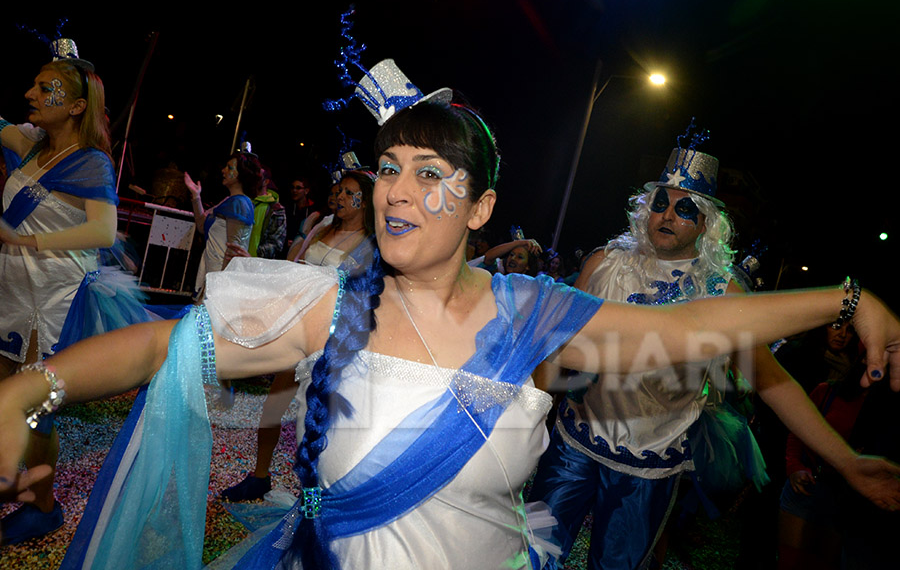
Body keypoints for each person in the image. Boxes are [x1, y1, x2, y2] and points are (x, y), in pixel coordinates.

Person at [2, 88, 900, 570]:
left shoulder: (540, 316)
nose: (396, 190)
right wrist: (27, 388)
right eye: (390, 168)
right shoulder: (331, 306)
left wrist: (849, 299)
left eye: (432, 174)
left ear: (483, 210)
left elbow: (702, 326)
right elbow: (165, 343)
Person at [528, 134, 900, 570]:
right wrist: (527, 422)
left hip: (649, 467)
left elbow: (772, 381)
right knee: (529, 555)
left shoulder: (722, 291)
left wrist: (848, 462)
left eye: (685, 209)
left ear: (705, 223)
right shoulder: (602, 264)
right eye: (662, 202)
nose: (668, 214)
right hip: (573, 443)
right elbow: (551, 349)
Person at [0, 40, 154, 544]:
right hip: (14, 293)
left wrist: (26, 238)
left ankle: (43, 506)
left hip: (54, 302)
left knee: (34, 408)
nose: (31, 93)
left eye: (46, 88)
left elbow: (104, 232)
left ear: (76, 105)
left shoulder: (91, 163)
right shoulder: (32, 147)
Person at [221, 169, 376, 502]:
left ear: (367, 203)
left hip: (332, 339)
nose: (341, 198)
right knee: (273, 407)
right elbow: (295, 269)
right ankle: (260, 476)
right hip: (297, 329)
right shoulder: (323, 227)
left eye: (351, 193)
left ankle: (325, 494)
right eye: (340, 191)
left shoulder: (370, 245)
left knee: (323, 419)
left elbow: (357, 293)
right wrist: (255, 264)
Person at [777, 363, 869, 569]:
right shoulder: (828, 391)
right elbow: (797, 429)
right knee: (789, 562)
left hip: (844, 499)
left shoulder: (885, 411)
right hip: (806, 487)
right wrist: (794, 466)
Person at [184, 151, 260, 301]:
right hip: (213, 274)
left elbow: (233, 251)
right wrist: (196, 196)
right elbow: (201, 226)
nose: (223, 170)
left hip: (219, 277)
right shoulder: (229, 201)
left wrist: (219, 290)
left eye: (230, 168)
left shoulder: (239, 204)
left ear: (242, 175)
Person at [247, 161, 286, 260]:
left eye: (258, 177)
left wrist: (256, 253)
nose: (253, 180)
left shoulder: (276, 209)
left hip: (258, 264)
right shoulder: (244, 201)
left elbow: (277, 243)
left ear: (266, 182)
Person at [281, 175, 320, 259]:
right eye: (292, 187)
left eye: (298, 188)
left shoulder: (314, 210)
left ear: (306, 191)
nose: (294, 191)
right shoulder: (287, 208)